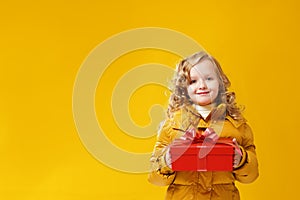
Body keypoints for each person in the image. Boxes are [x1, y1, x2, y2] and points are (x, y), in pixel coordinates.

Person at [148, 51, 259, 200]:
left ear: (220, 82)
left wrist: (242, 160)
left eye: (209, 78)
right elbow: (154, 177)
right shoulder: (172, 125)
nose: (202, 85)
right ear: (183, 88)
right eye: (193, 81)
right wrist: (167, 160)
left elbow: (251, 175)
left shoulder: (237, 125)